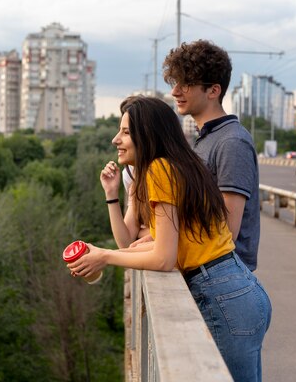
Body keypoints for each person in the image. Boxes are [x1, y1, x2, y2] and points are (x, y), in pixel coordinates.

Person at [68, 96, 271, 381]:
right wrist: (111, 249)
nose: (116, 139)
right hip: (236, 289)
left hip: (224, 296)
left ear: (147, 135)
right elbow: (177, 242)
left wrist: (103, 256)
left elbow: (164, 259)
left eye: (126, 132)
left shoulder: (160, 170)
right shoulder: (174, 165)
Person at [163, 39, 261, 271]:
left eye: (186, 84)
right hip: (207, 272)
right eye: (176, 82)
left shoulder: (232, 142)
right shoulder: (206, 139)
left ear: (213, 91)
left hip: (223, 280)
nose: (175, 91)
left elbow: (226, 230)